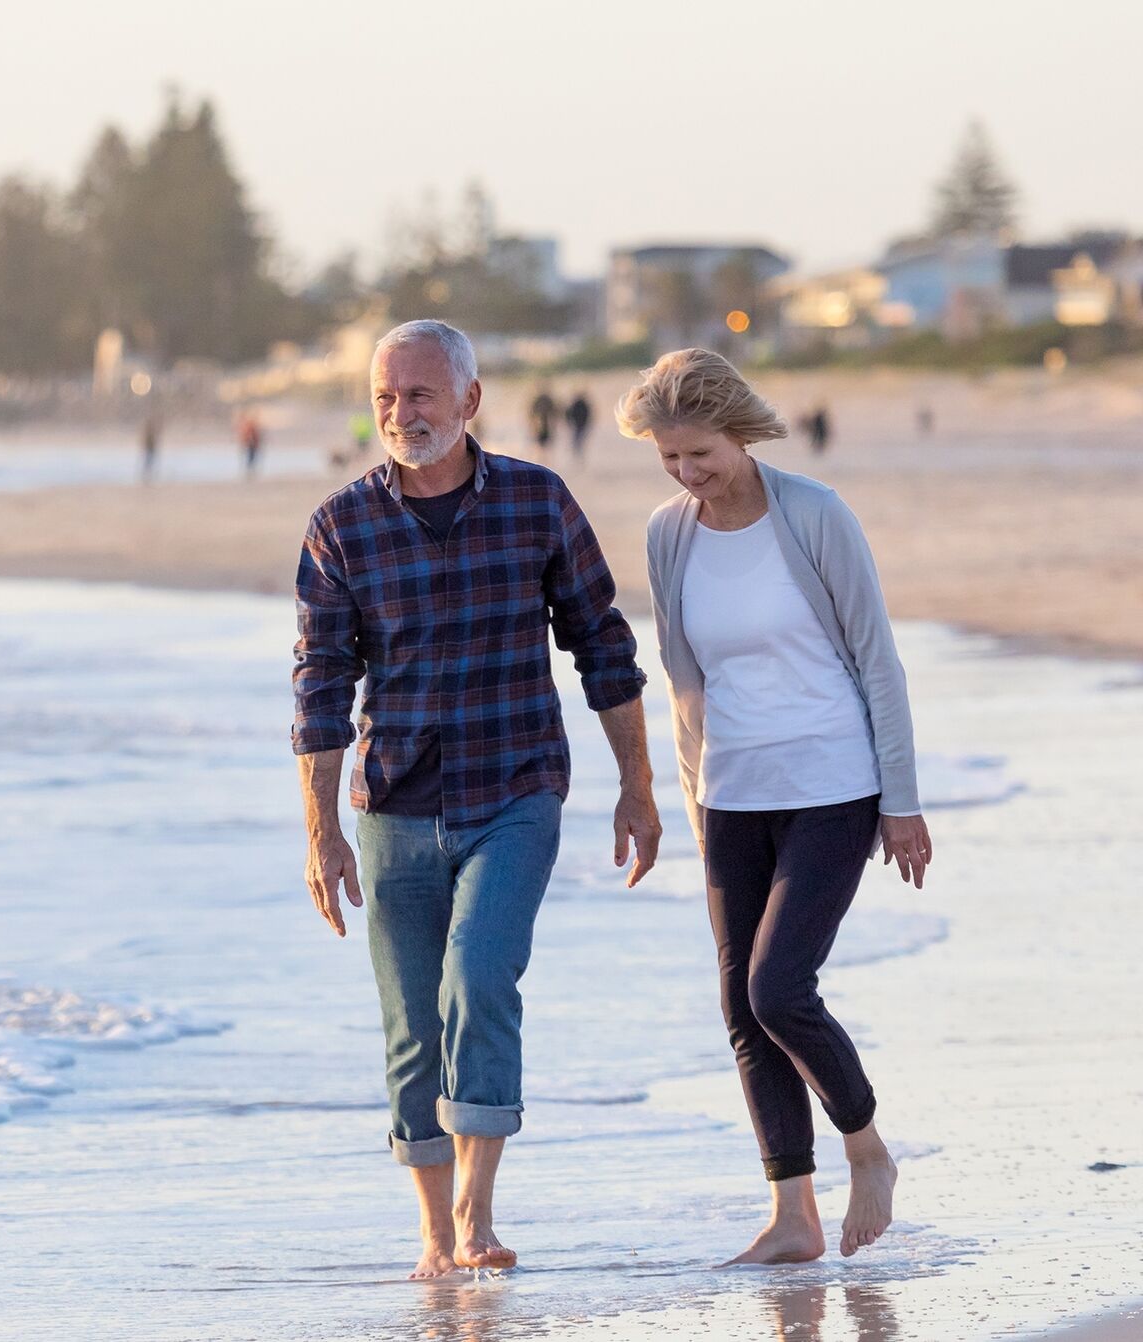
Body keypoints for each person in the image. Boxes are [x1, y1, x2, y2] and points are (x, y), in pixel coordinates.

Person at [294, 320, 661, 1280]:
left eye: (419, 394)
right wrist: (321, 830)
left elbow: (604, 646)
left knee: (479, 978)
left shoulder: (538, 503)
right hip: (393, 804)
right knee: (413, 1024)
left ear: (469, 400)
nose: (400, 413)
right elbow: (320, 687)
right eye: (384, 397)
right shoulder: (343, 526)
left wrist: (638, 785)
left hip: (516, 789)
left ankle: (477, 1209)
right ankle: (431, 1232)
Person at [618, 348, 933, 1265]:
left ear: (741, 433)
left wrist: (902, 802)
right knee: (740, 1008)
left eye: (701, 454)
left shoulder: (815, 515)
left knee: (778, 989)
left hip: (835, 783)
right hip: (733, 793)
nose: (687, 474)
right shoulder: (668, 533)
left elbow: (876, 657)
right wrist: (689, 797)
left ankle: (867, 1149)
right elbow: (682, 674)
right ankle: (792, 1216)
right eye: (670, 458)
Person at [564, 390, 594, 461]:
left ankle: (578, 454)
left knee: (578, 440)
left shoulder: (580, 404)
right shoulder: (580, 404)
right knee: (578, 440)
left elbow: (568, 414)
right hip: (579, 425)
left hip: (579, 425)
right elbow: (568, 414)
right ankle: (577, 454)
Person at [528, 387, 557, 455]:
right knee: (542, 444)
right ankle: (542, 457)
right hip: (541, 425)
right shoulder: (545, 400)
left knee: (544, 444)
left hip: (545, 425)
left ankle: (543, 457)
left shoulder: (542, 400)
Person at [237, 409, 264, 478]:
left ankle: (250, 470)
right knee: (250, 457)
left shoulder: (250, 425)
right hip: (250, 444)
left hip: (252, 444)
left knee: (251, 457)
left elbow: (256, 436)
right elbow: (248, 435)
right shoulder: (249, 425)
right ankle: (249, 470)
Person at [140, 413, 162, 483]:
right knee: (148, 463)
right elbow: (147, 441)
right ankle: (147, 476)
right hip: (149, 449)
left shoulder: (151, 432)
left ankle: (149, 475)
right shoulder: (149, 433)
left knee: (149, 463)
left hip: (150, 449)